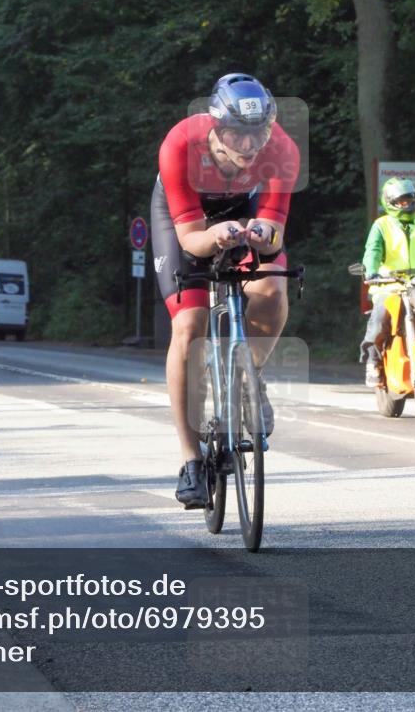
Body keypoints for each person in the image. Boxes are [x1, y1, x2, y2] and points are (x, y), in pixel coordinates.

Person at [151, 73, 299, 508]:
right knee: (190, 325)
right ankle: (190, 458)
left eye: (258, 134)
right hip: (187, 221)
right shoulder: (180, 145)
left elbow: (274, 233)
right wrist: (217, 237)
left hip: (243, 210)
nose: (250, 146)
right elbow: (192, 240)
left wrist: (259, 235)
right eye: (238, 134)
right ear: (216, 128)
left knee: (272, 289)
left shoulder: (282, 150)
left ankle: (249, 374)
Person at [359, 177, 415, 387]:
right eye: (402, 201)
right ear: (390, 202)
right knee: (381, 317)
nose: (408, 204)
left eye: (411, 199)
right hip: (389, 286)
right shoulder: (381, 225)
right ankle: (373, 361)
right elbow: (373, 252)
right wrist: (371, 272)